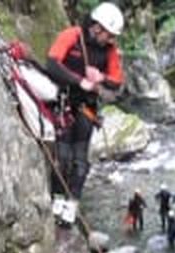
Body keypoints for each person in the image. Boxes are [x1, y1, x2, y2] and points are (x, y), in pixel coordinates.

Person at [45, 2, 125, 201]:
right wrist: (80, 81)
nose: (112, 39)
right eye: (109, 34)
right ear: (97, 27)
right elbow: (52, 64)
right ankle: (57, 199)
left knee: (80, 162)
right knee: (62, 157)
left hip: (85, 108)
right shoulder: (72, 36)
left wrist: (101, 78)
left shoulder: (110, 50)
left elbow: (116, 81)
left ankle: (72, 206)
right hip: (61, 102)